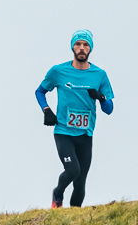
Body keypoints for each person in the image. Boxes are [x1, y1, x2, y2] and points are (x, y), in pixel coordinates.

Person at [36, 29, 115, 208]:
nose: (81, 48)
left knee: (80, 181)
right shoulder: (58, 71)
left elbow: (109, 109)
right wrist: (46, 110)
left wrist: (101, 97)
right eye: (78, 44)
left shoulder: (99, 75)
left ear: (90, 49)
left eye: (85, 45)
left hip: (85, 135)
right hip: (63, 132)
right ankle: (58, 194)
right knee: (72, 170)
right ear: (73, 47)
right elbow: (40, 91)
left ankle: (75, 218)